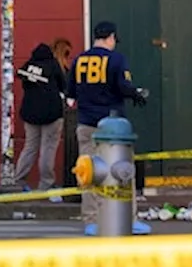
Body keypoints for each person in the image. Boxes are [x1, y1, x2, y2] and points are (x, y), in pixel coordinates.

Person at [68, 21, 149, 235]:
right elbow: (123, 87)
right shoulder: (116, 59)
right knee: (122, 171)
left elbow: (70, 94)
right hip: (114, 129)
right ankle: (127, 220)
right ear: (111, 37)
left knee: (89, 172)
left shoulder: (78, 60)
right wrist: (136, 94)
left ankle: (92, 220)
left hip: (86, 123)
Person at [14, 42, 67, 194]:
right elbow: (64, 85)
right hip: (52, 113)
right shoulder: (53, 65)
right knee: (48, 148)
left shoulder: (28, 66)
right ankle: (46, 183)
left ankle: (19, 180)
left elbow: (22, 80)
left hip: (30, 113)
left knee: (30, 147)